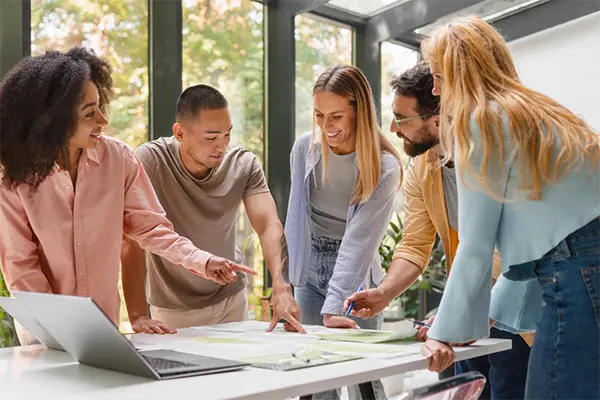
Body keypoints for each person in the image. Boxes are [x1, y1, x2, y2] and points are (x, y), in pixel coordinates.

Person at [0, 47, 254, 345]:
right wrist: (60, 325)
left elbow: (151, 228)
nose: (103, 121)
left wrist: (203, 261)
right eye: (90, 113)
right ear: (53, 119)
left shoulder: (118, 159)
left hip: (101, 325)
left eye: (100, 107)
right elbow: (21, 265)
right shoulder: (13, 175)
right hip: (43, 329)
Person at [418, 16, 600, 400]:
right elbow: (543, 241)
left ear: (461, 72)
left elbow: (476, 243)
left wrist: (443, 331)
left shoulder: (480, 119)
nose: (434, 90)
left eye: (439, 77)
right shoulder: (535, 111)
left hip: (574, 270)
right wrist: (478, 313)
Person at [344, 62, 533, 400]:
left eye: (402, 119)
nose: (393, 128)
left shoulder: (486, 156)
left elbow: (495, 249)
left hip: (517, 306)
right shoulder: (421, 167)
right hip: (470, 303)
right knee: (465, 391)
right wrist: (384, 293)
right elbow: (415, 244)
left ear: (435, 119)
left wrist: (456, 317)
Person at [121, 84, 303, 334]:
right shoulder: (150, 162)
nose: (222, 146)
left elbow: (268, 224)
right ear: (180, 133)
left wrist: (281, 287)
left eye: (227, 135)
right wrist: (138, 315)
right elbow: (131, 240)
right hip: (174, 309)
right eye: (211, 137)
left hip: (231, 299)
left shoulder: (242, 164)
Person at [285, 65, 402, 400]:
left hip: (357, 275)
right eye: (319, 115)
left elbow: (359, 243)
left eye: (336, 116)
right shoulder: (305, 148)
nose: (326, 126)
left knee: (363, 377)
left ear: (358, 111)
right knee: (315, 376)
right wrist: (289, 283)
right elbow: (295, 219)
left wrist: (336, 305)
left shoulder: (385, 166)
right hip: (310, 270)